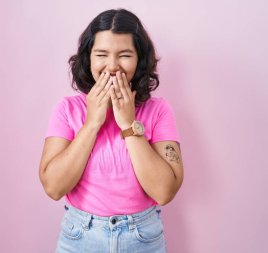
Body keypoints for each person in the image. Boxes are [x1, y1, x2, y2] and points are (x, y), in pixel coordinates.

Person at [39, 8, 184, 253]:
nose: (112, 65)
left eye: (125, 54)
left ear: (139, 59)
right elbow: (53, 187)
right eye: (102, 54)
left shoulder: (158, 110)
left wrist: (129, 124)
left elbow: (164, 192)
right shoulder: (67, 109)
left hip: (142, 238)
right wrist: (92, 122)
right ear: (89, 58)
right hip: (80, 236)